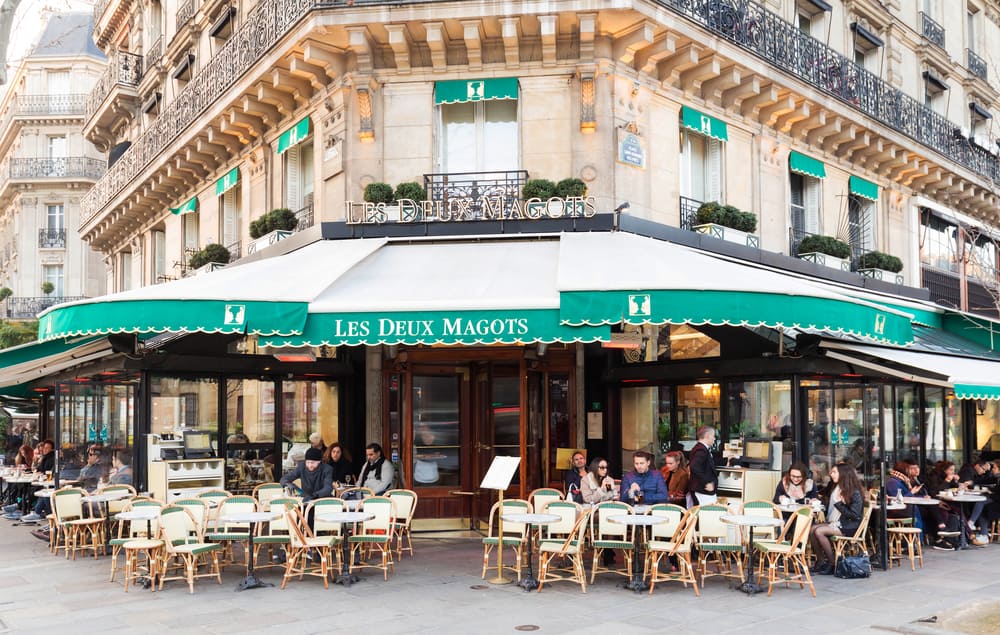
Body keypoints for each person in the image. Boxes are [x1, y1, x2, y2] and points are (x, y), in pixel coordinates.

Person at [808, 462, 865, 575]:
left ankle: (832, 562)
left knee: (819, 531)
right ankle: (820, 561)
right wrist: (818, 503)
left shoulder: (854, 492)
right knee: (811, 529)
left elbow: (854, 515)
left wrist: (839, 503)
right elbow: (831, 507)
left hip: (849, 526)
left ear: (843, 474)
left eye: (834, 472)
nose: (830, 474)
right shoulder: (837, 488)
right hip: (837, 522)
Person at [688, 426, 719, 506]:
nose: (714, 439)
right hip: (702, 490)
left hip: (702, 490)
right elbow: (694, 467)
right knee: (708, 515)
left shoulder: (700, 448)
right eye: (713, 436)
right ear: (707, 436)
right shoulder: (701, 450)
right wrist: (707, 482)